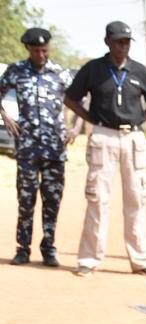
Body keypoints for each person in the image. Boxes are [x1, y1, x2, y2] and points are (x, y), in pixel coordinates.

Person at [64, 20, 146, 277]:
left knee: (136, 199)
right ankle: (88, 260)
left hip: (133, 139)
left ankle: (141, 260)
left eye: (127, 42)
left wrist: (138, 121)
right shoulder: (93, 69)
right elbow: (70, 98)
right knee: (98, 199)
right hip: (103, 136)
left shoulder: (140, 71)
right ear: (107, 42)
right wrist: (91, 119)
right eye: (118, 42)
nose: (123, 46)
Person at [1, 27, 80, 266]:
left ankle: (49, 249)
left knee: (52, 200)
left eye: (45, 50)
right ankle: (22, 249)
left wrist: (76, 128)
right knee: (26, 200)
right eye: (36, 51)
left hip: (55, 148)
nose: (41, 55)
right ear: (28, 49)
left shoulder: (60, 73)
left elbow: (80, 100)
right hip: (27, 147)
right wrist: (5, 116)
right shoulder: (16, 71)